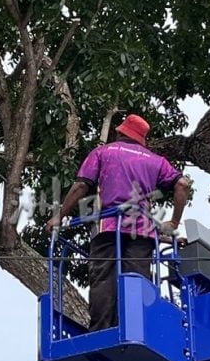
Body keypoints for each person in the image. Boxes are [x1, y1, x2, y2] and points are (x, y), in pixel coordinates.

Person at [46, 114, 191, 330]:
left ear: (120, 132)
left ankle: (102, 330)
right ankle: (138, 328)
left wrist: (59, 216)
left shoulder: (103, 152)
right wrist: (174, 223)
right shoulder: (156, 161)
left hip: (109, 226)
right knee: (138, 280)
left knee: (104, 278)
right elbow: (183, 185)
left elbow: (81, 186)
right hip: (141, 232)